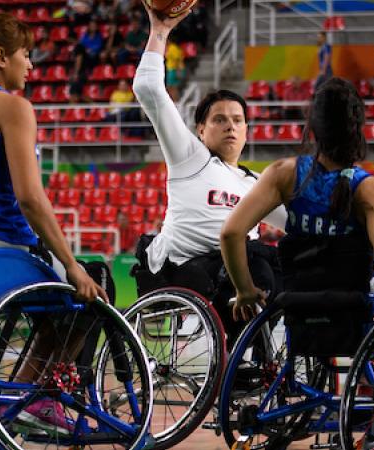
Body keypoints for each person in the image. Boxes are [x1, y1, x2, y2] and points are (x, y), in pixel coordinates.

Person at [0, 6, 107, 433]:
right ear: (0, 57)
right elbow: (30, 198)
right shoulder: (12, 108)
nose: (31, 64)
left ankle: (25, 391)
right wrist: (71, 265)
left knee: (67, 293)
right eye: (25, 55)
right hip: (2, 253)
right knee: (92, 288)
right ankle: (37, 398)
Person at [131, 3, 287, 343]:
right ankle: (237, 355)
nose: (230, 126)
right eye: (219, 119)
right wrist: (160, 32)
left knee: (288, 261)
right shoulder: (190, 157)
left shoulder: (254, 183)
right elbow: (148, 91)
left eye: (237, 120)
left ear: (247, 131)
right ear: (200, 130)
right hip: (182, 268)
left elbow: (299, 222)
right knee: (256, 263)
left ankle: (259, 359)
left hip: (233, 269)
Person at [220, 77, 374, 322]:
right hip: (354, 313)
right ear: (358, 127)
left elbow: (231, 233)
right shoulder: (373, 191)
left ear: (312, 128)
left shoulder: (282, 174)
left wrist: (245, 290)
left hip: (300, 310)